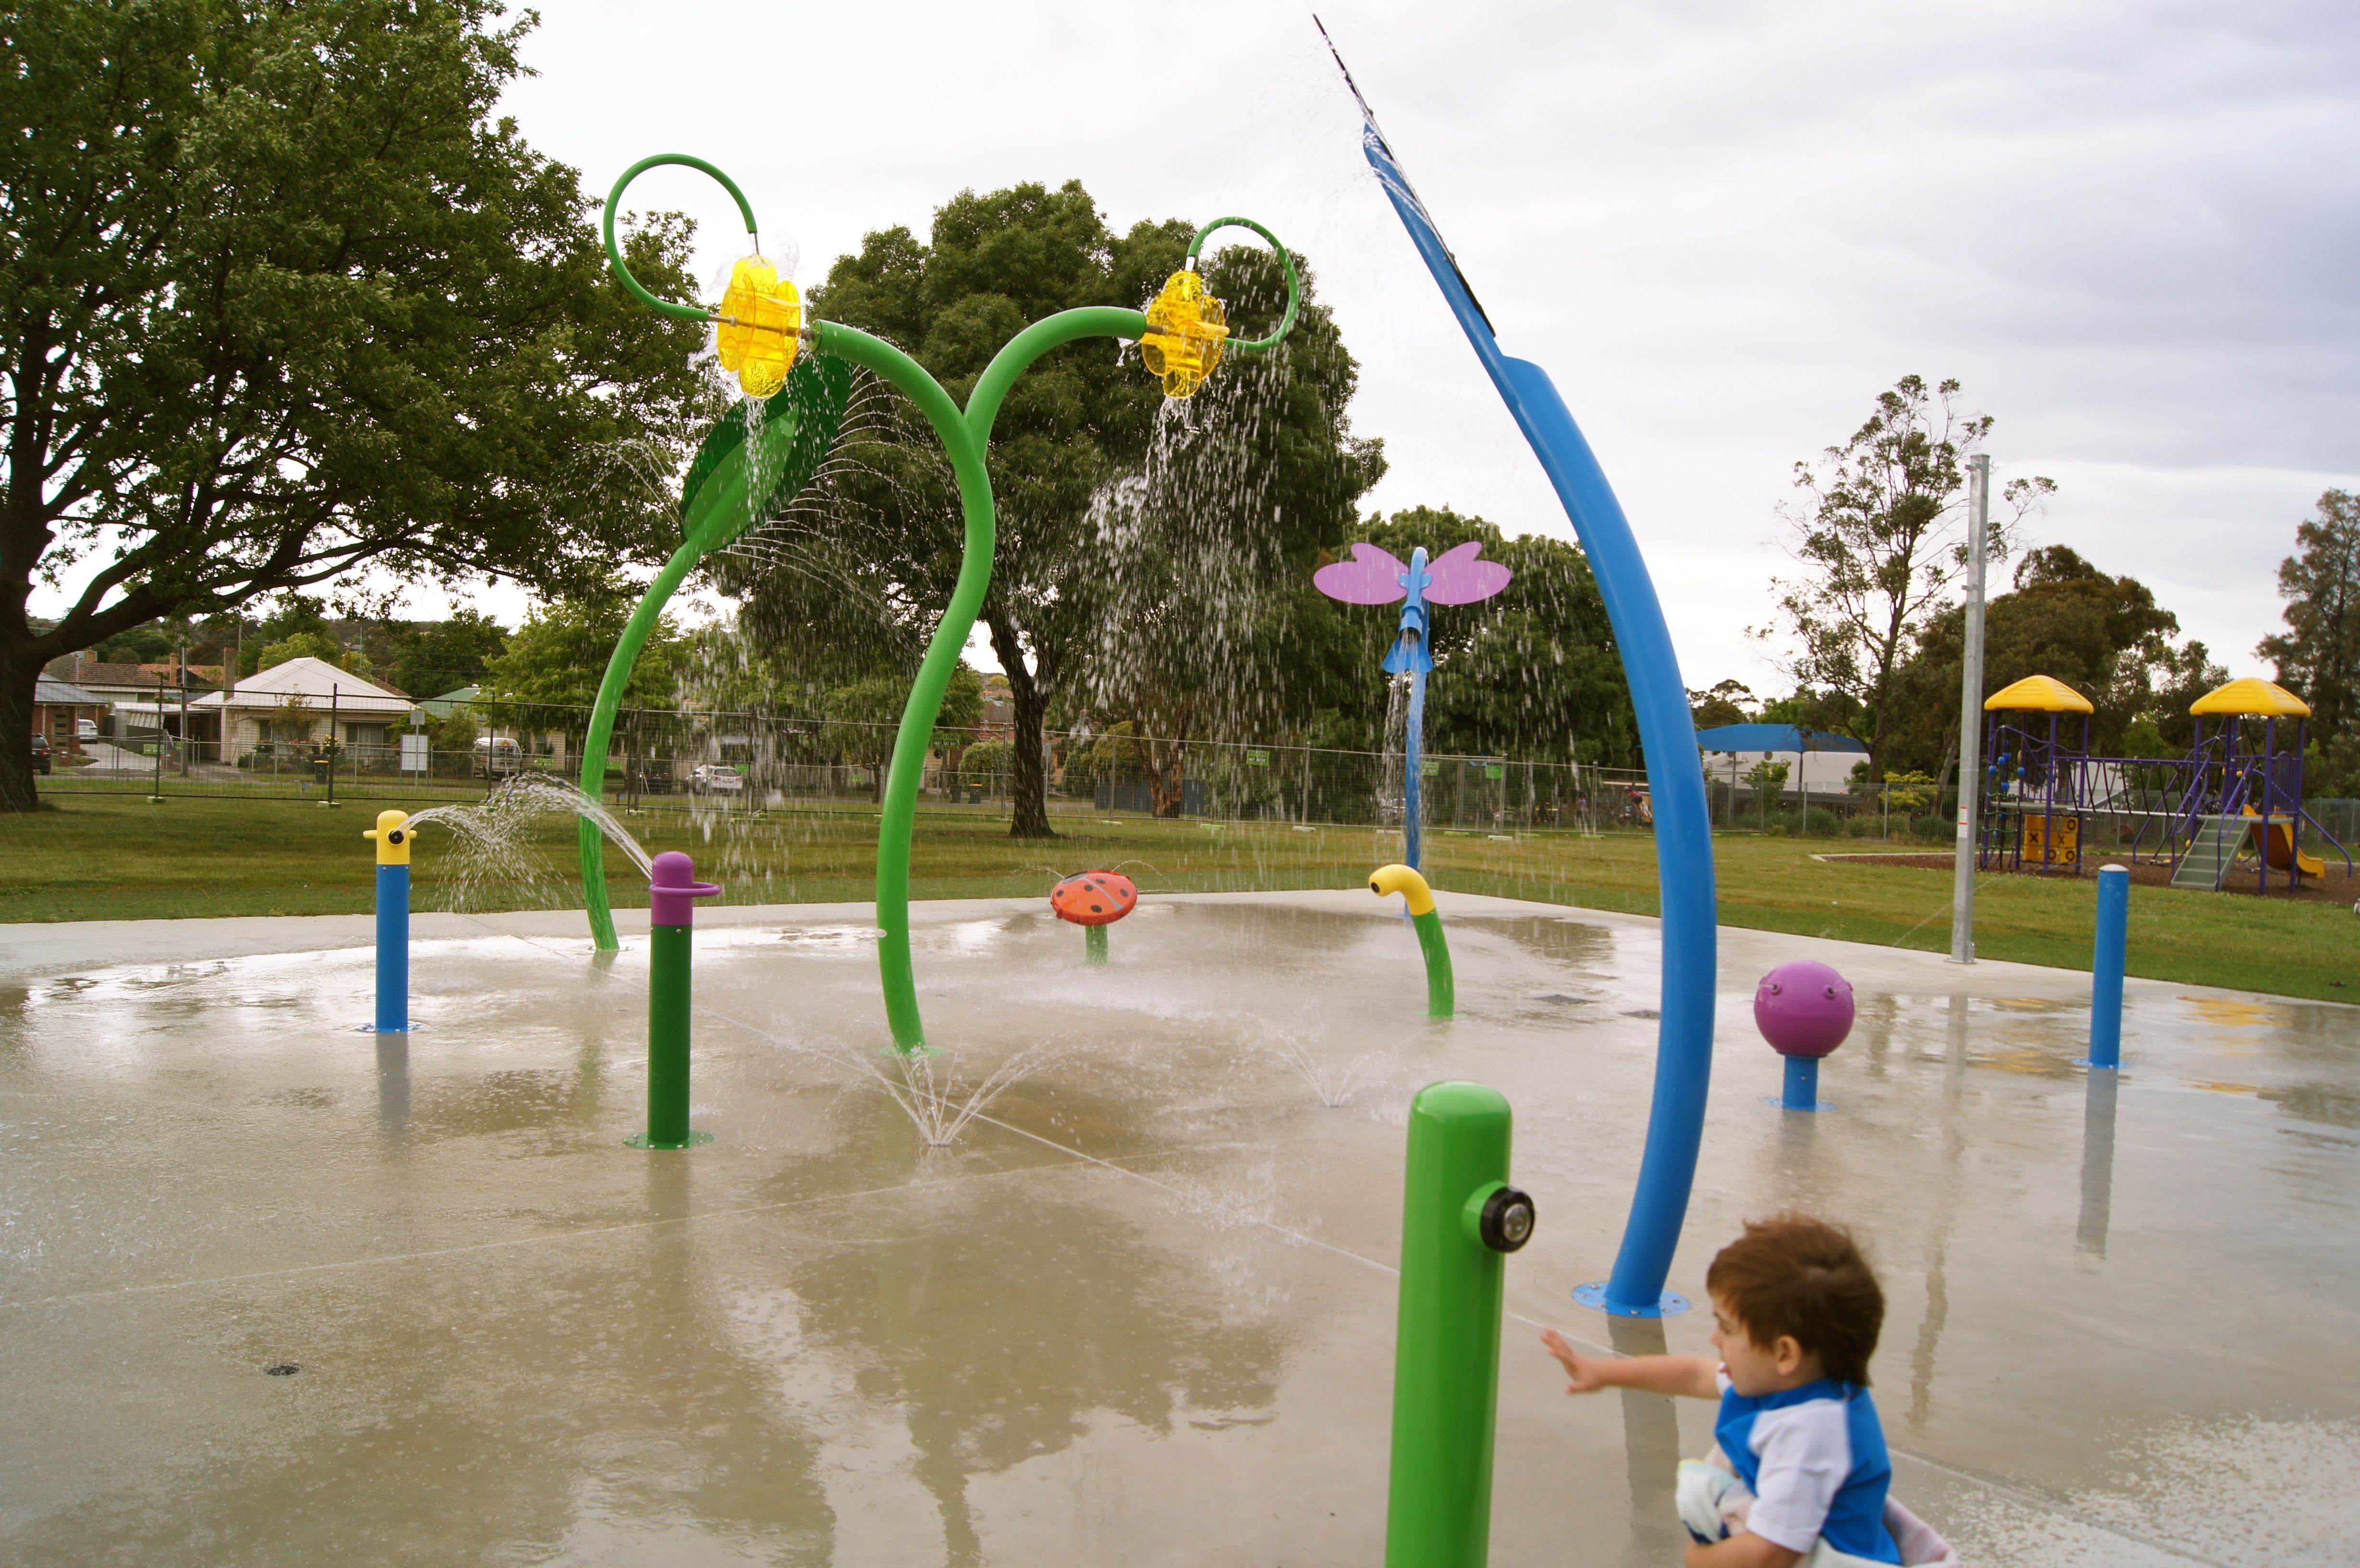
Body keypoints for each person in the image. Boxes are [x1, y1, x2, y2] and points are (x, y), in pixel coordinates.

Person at [1542, 1215, 1953, 1568]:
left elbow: (1772, 1554)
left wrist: (1698, 1560)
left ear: (1785, 1353)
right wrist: (1602, 1373)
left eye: (1727, 1328)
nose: (1715, 1339)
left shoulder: (1812, 1434)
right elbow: (1693, 1375)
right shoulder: (1789, 1378)